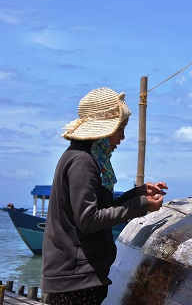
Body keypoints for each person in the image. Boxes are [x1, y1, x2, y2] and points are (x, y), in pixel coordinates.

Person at [42, 88, 167, 304]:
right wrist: (140, 205)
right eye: (120, 129)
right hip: (76, 280)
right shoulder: (83, 162)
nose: (122, 137)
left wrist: (137, 194)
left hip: (75, 277)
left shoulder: (82, 157)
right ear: (103, 131)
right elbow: (89, 220)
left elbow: (99, 209)